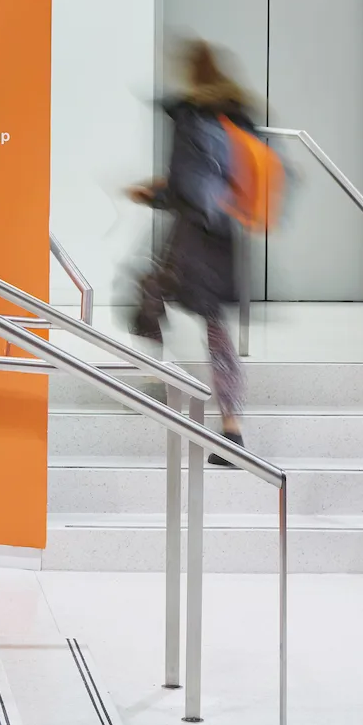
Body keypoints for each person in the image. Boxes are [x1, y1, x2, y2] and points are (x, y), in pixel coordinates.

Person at [125, 40, 253, 465]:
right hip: (225, 237)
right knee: (216, 328)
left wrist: (152, 194)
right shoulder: (240, 116)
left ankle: (161, 384)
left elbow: (184, 184)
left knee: (147, 293)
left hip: (189, 238)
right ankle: (231, 427)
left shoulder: (191, 115)